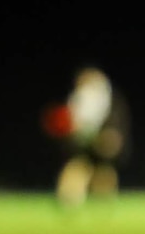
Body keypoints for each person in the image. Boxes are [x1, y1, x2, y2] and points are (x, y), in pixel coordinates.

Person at [42, 66, 131, 207]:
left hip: (103, 140)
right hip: (81, 142)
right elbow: (72, 121)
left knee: (103, 172)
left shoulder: (108, 97)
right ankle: (69, 201)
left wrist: (112, 135)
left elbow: (116, 120)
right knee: (77, 167)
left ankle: (103, 205)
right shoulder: (78, 97)